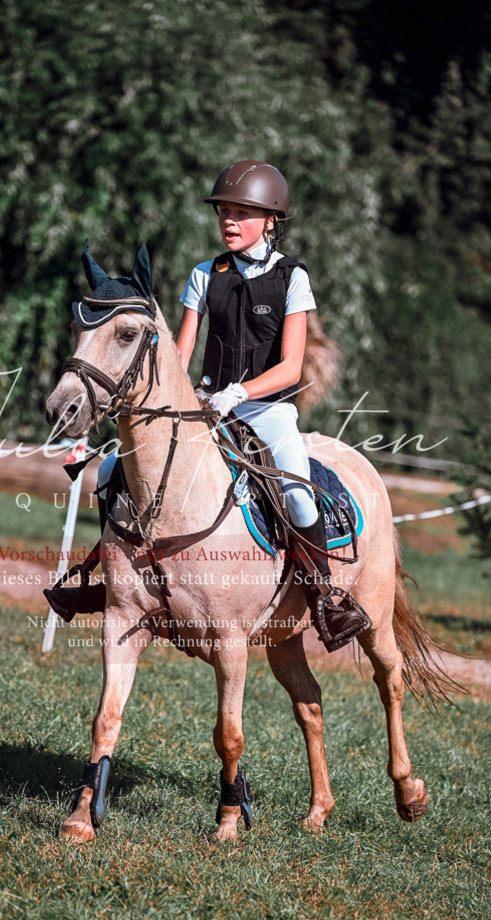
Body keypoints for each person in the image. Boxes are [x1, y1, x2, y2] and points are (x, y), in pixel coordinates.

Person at [175, 160, 368, 650]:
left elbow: (291, 368)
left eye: (242, 212)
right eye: (224, 211)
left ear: (271, 221)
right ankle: (97, 576)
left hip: (268, 410)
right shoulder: (203, 274)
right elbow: (181, 354)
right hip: (207, 406)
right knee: (124, 467)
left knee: (299, 495)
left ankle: (326, 596)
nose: (229, 221)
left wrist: (240, 392)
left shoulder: (292, 278)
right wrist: (182, 395)